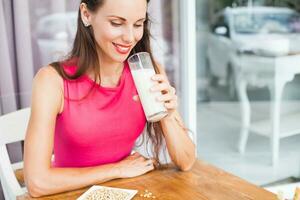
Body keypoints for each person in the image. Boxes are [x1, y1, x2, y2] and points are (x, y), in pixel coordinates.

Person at [24, 0, 196, 197]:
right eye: (116, 23)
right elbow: (37, 183)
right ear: (86, 14)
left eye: (138, 24)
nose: (130, 37)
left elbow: (186, 161)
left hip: (126, 191)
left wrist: (167, 114)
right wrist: (116, 170)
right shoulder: (52, 81)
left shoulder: (146, 73)